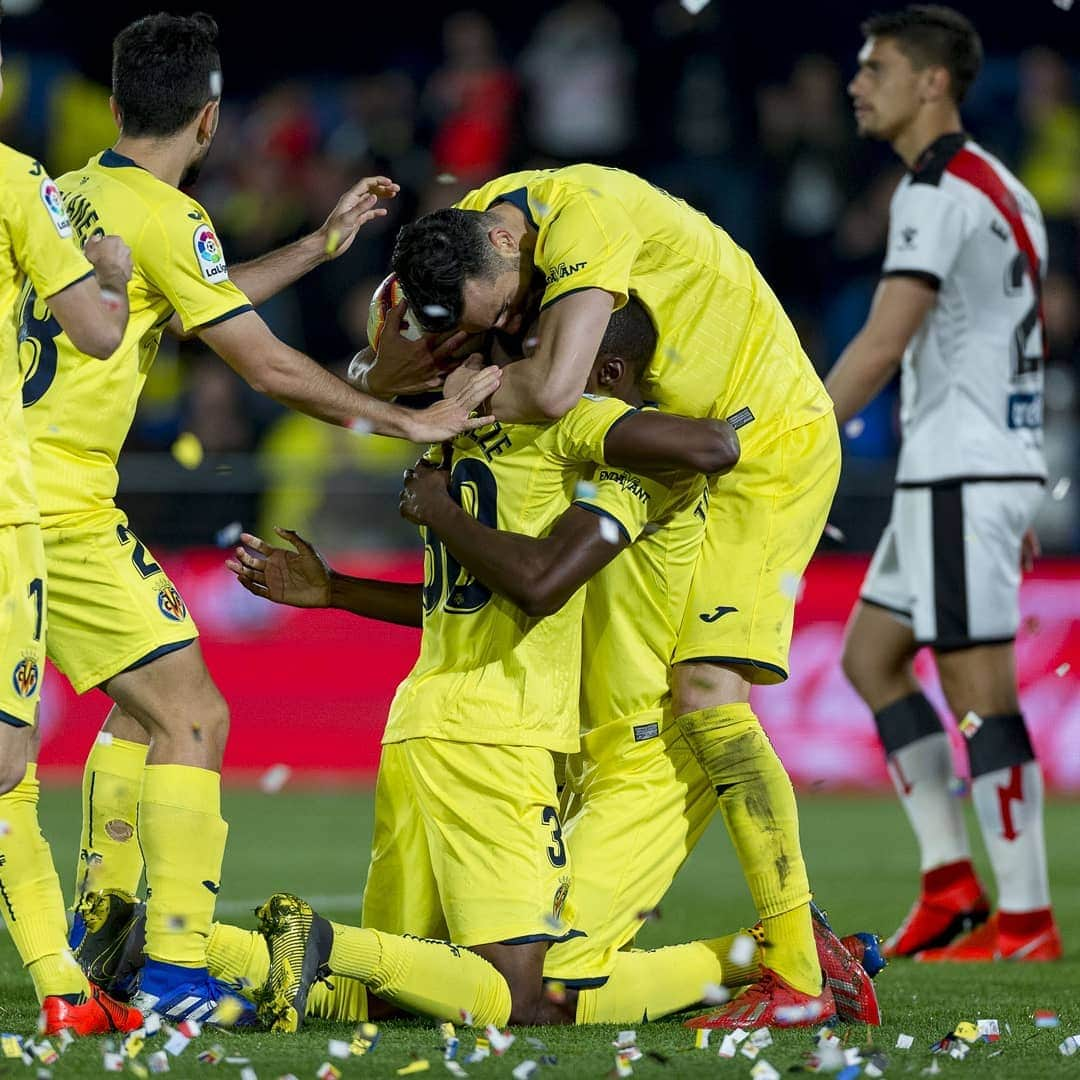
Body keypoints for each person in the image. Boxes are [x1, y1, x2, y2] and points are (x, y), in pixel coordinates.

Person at [19, 11, 497, 1025]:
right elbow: (267, 363)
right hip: (55, 503)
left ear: (113, 109)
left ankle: (101, 926)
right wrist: (405, 418)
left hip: (20, 487)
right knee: (191, 715)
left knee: (141, 709)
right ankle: (176, 971)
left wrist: (320, 247)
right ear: (210, 121)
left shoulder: (65, 197)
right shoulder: (164, 213)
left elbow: (197, 296)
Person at [376, 160, 841, 1026]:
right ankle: (748, 949)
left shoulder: (581, 216)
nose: (511, 326)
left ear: (509, 246)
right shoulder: (465, 235)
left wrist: (448, 393)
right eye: (490, 326)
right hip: (647, 436)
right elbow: (379, 366)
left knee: (704, 689)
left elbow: (552, 388)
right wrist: (411, 383)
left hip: (757, 436)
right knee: (622, 693)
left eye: (509, 310)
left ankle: (793, 964)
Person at [826, 4, 1060, 962]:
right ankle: (952, 886)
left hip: (963, 475)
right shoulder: (1000, 184)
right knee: (871, 661)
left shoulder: (932, 193)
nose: (856, 83)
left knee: (978, 699)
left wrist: (792, 437)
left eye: (875, 68)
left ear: (932, 83)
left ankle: (1029, 922)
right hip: (966, 473)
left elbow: (887, 340)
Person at [0, 6, 145, 1034]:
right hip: (4, 515)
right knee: (7, 757)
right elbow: (97, 335)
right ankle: (62, 986)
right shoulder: (18, 181)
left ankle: (61, 987)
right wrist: (115, 278)